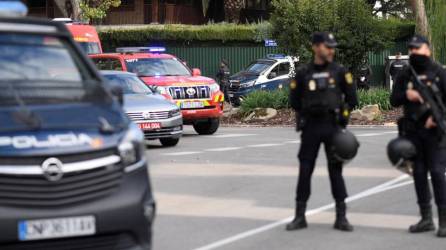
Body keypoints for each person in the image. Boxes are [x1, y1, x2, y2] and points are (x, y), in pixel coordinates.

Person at [287, 32, 358, 232]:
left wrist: (343, 116)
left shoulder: (340, 71)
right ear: (316, 47)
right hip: (311, 127)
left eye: (333, 47)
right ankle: (299, 216)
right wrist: (303, 114)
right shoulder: (303, 73)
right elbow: (294, 101)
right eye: (328, 46)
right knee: (305, 170)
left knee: (335, 171)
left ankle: (341, 217)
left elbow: (352, 99)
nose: (331, 50)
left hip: (332, 126)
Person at [390, 35, 446, 237]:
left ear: (428, 50)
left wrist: (437, 118)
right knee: (419, 174)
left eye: (418, 48)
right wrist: (407, 95)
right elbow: (394, 100)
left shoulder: (439, 73)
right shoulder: (405, 74)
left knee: (438, 173)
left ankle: (444, 221)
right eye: (411, 49)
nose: (414, 52)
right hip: (413, 132)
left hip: (435, 132)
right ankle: (426, 219)